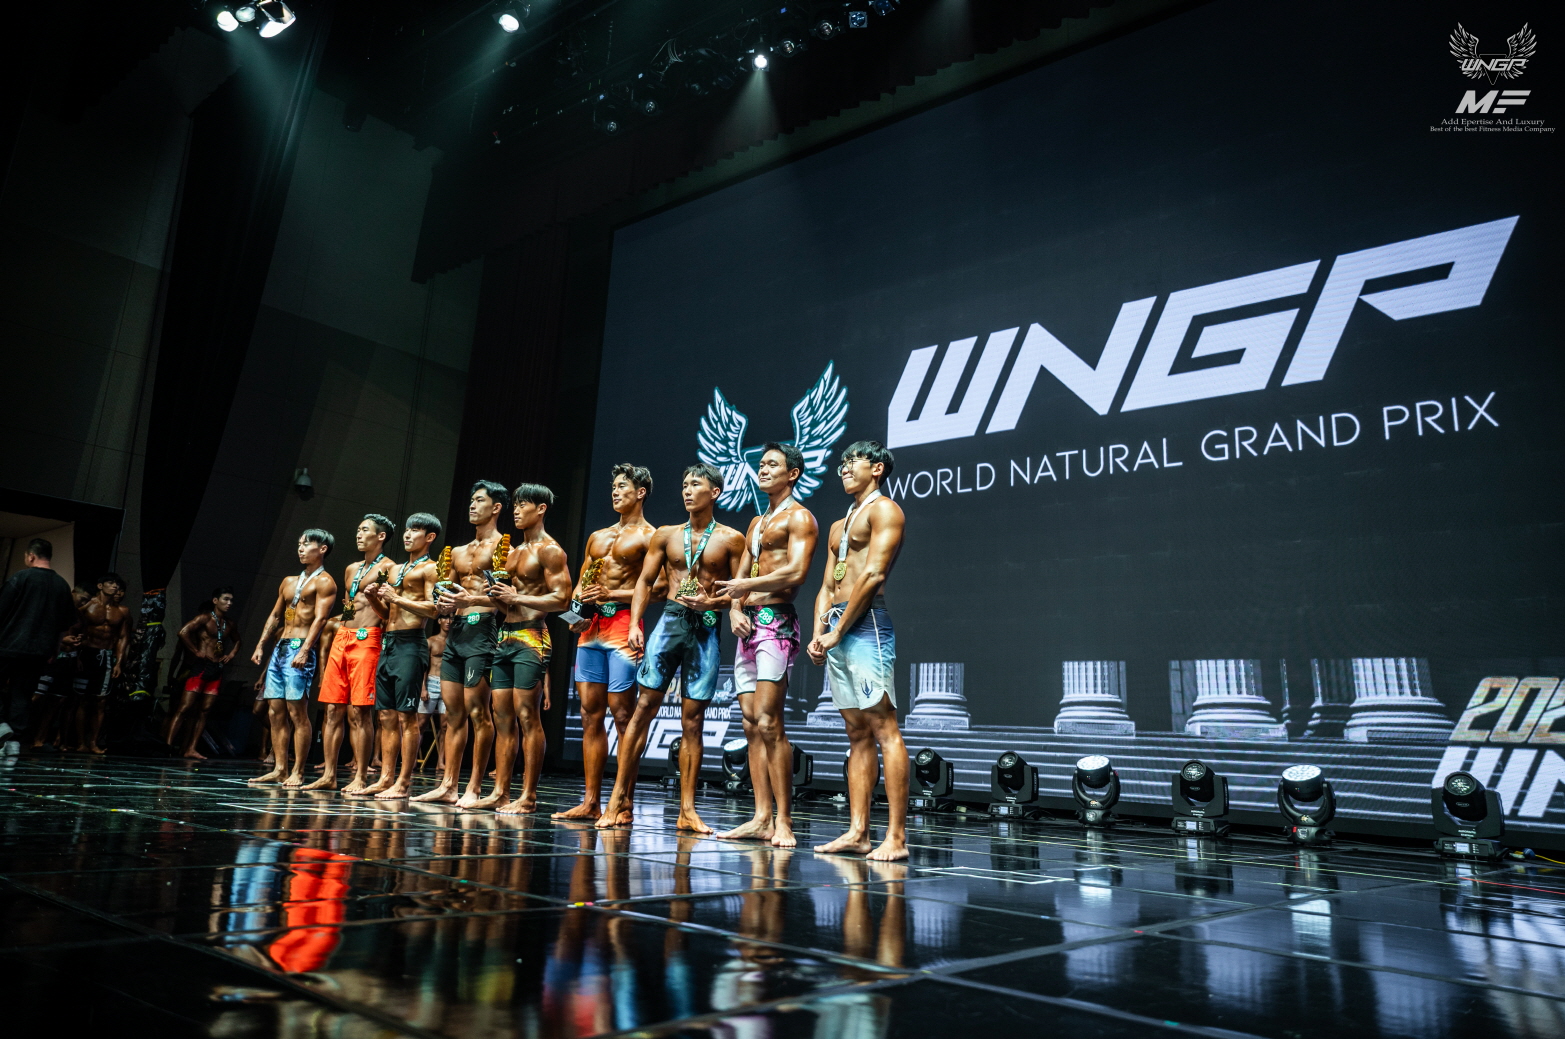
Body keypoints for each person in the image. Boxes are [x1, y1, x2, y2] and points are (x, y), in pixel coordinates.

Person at [598, 464, 745, 833]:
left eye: (696, 484)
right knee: (642, 709)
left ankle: (687, 811)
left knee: (693, 721)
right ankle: (617, 800)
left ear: (715, 492)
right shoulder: (666, 535)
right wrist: (635, 623)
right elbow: (645, 581)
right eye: (684, 484)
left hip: (705, 628)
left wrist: (713, 603)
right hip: (670, 623)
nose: (687, 490)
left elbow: (739, 592)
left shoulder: (731, 539)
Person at [808, 441, 909, 861]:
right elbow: (827, 584)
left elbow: (873, 575)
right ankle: (858, 832)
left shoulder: (885, 511)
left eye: (854, 462)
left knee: (883, 726)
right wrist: (819, 630)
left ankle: (896, 838)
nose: (845, 468)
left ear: (878, 468)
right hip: (835, 627)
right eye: (842, 463)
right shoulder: (839, 524)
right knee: (856, 732)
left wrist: (838, 630)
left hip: (866, 626)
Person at [714, 444, 819, 848]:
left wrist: (746, 587)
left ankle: (785, 821)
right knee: (750, 722)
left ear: (792, 473)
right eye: (760, 464)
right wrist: (733, 610)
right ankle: (761, 818)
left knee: (770, 721)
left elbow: (796, 571)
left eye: (772, 464)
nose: (762, 469)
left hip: (777, 623)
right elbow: (740, 577)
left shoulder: (800, 517)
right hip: (748, 625)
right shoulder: (757, 522)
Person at [554, 463, 657, 822]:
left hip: (624, 624)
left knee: (623, 714)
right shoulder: (597, 536)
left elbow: (659, 587)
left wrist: (613, 593)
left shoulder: (650, 536)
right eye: (613, 486)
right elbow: (581, 585)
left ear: (640, 492)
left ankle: (623, 802)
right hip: (591, 629)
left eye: (622, 486)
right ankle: (591, 802)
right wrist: (575, 616)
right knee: (588, 713)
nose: (615, 491)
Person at [475, 484, 572, 812]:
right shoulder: (513, 552)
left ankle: (528, 796)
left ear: (541, 509)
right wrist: (497, 597)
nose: (516, 511)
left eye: (523, 505)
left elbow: (562, 599)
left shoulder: (550, 550)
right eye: (514, 505)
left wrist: (517, 596)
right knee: (501, 716)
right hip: (505, 635)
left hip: (532, 637)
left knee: (528, 715)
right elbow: (508, 605)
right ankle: (500, 792)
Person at [413, 481, 508, 806]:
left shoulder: (504, 549)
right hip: (456, 633)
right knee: (453, 714)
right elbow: (445, 593)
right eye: (471, 500)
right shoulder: (457, 551)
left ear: (496, 507)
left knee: (479, 712)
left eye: (479, 500)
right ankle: (448, 785)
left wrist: (473, 599)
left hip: (483, 630)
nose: (472, 505)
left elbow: (506, 599)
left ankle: (474, 787)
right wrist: (441, 601)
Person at [354, 514, 441, 800]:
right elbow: (386, 614)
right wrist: (374, 599)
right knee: (386, 716)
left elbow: (434, 610)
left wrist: (397, 598)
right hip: (389, 643)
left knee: (407, 717)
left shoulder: (430, 568)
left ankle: (403, 782)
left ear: (429, 537)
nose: (407, 535)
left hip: (411, 644)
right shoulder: (395, 569)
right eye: (406, 529)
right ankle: (385, 778)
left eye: (415, 530)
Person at [306, 515, 394, 793]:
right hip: (343, 637)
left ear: (380, 536)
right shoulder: (351, 568)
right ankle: (329, 774)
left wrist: (373, 600)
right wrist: (342, 628)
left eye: (365, 530)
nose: (358, 534)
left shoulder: (388, 569)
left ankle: (360, 776)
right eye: (358, 529)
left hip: (368, 638)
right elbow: (348, 604)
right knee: (332, 709)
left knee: (360, 711)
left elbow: (388, 613)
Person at [249, 531, 338, 787]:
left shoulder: (325, 582)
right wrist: (261, 645)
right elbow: (276, 615)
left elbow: (321, 619)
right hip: (281, 647)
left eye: (306, 544)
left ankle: (298, 771)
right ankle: (279, 769)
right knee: (275, 711)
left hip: (300, 647)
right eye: (299, 544)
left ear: (322, 549)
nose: (300, 548)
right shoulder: (288, 581)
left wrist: (305, 649)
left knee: (296, 712)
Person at [0, 538, 78, 756]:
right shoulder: (62, 585)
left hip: (9, 645)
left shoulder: (20, 578)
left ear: (31, 556)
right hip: (39, 651)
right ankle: (15, 741)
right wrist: (55, 649)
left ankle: (1, 725)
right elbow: (64, 625)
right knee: (22, 694)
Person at [164, 587, 239, 759]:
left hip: (216, 669)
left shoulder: (229, 624)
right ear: (215, 601)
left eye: (231, 600)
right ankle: (167, 746)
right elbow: (183, 632)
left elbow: (238, 641)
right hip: (201, 667)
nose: (229, 603)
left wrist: (231, 655)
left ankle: (191, 748)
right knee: (184, 708)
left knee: (205, 711)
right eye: (226, 599)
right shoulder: (204, 618)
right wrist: (196, 651)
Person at [72, 572, 132, 754]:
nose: (115, 586)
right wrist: (75, 654)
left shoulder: (122, 611)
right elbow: (72, 627)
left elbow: (123, 637)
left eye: (116, 584)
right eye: (111, 583)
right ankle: (80, 743)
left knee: (101, 701)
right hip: (86, 653)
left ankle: (93, 743)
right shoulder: (87, 605)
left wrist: (118, 663)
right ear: (100, 586)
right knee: (82, 700)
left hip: (106, 655)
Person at [419, 615, 451, 771]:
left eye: (452, 619)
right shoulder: (430, 641)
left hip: (447, 684)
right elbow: (423, 666)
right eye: (445, 618)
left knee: (445, 726)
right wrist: (423, 688)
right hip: (431, 682)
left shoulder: (455, 643)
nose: (448, 621)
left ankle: (441, 762)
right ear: (439, 621)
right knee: (420, 724)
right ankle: (410, 761)